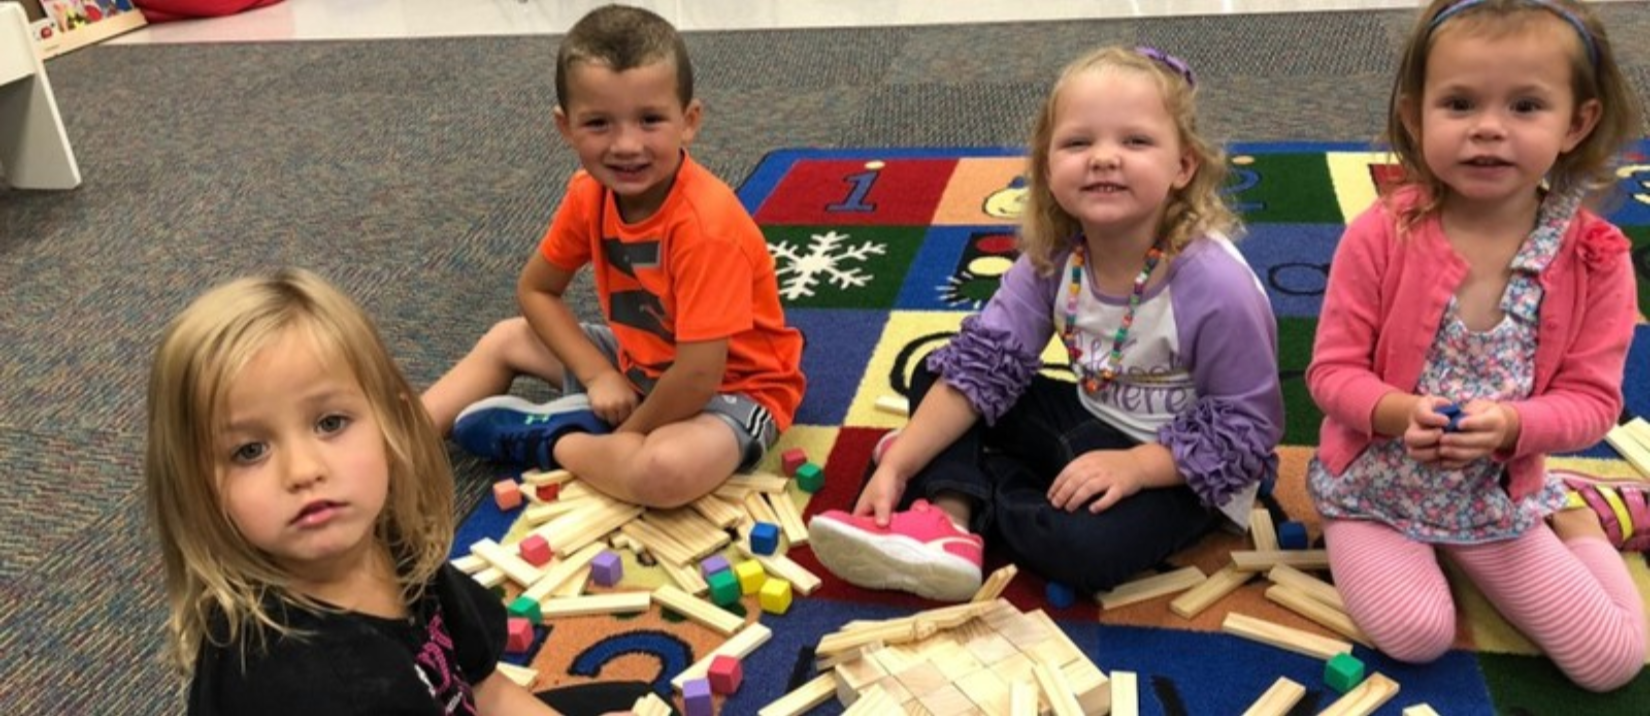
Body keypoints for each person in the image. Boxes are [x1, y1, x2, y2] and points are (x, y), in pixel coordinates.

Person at [807, 46, 1284, 602]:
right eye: (1079, 143)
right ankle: (948, 520)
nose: (1104, 158)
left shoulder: (1215, 286)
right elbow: (984, 366)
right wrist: (900, 462)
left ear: (1183, 166)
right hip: (1087, 421)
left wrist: (1135, 466)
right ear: (1046, 167)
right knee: (938, 375)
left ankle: (969, 482)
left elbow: (1245, 431)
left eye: (1136, 141)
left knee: (1085, 550)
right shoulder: (1055, 257)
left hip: (1184, 467)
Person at [1307, 0, 1646, 692]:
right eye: (1459, 103)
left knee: (1613, 661)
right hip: (1377, 487)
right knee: (1416, 635)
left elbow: (1591, 404)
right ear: (1415, 115)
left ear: (1576, 122)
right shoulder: (1380, 234)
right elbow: (1331, 374)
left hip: (1496, 495)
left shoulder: (1595, 258)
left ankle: (1573, 512)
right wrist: (1402, 413)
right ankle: (1449, 543)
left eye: (1526, 107)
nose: (1488, 129)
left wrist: (1514, 427)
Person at [144, 269, 645, 715]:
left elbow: (485, 688)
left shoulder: (390, 542)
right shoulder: (292, 680)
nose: (303, 471)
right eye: (249, 451)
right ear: (196, 489)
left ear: (395, 427)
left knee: (639, 703)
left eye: (330, 423)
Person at [424, 3, 805, 509]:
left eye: (650, 120)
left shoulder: (707, 226)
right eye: (599, 123)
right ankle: (394, 447)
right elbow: (536, 291)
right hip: (636, 365)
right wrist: (599, 374)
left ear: (689, 122)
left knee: (663, 473)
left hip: (734, 389)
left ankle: (557, 440)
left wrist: (627, 436)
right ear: (565, 127)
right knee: (506, 338)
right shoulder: (589, 193)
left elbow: (696, 377)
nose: (627, 145)